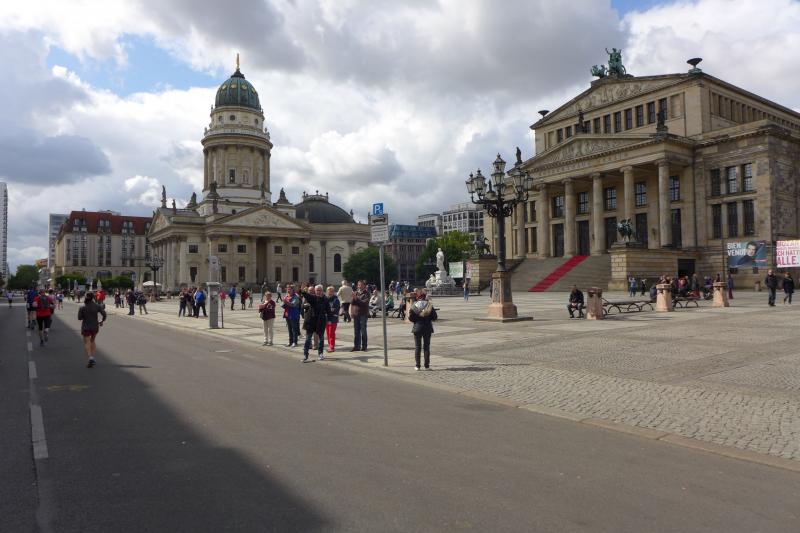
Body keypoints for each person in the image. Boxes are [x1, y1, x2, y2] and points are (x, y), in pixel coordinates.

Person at [408, 289, 437, 371]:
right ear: (425, 297)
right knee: (426, 347)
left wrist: (416, 320)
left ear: (418, 297)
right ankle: (427, 366)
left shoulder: (414, 305)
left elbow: (411, 318)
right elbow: (434, 317)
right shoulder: (429, 305)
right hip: (427, 328)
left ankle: (417, 366)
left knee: (418, 347)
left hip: (417, 328)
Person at [78, 292, 107, 368]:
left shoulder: (82, 307)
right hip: (95, 326)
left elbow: (79, 318)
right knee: (92, 341)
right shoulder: (97, 306)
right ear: (93, 297)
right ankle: (92, 357)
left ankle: (90, 358)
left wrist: (84, 315)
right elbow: (104, 314)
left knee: (87, 342)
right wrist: (102, 321)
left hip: (86, 327)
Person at [300, 284, 328, 362]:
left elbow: (328, 310)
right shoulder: (313, 297)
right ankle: (305, 355)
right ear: (315, 291)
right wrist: (302, 291)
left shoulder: (325, 299)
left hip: (320, 321)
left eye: (320, 290)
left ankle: (320, 353)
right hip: (311, 321)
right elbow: (306, 295)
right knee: (308, 339)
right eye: (317, 290)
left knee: (321, 339)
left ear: (322, 291)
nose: (318, 292)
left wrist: (329, 319)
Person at [350, 280, 369, 351]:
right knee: (356, 331)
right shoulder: (356, 293)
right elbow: (352, 303)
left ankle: (364, 346)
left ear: (364, 285)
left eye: (361, 285)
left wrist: (356, 298)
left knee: (363, 331)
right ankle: (356, 346)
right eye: (358, 285)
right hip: (356, 314)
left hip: (363, 314)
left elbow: (364, 303)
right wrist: (353, 298)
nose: (359, 286)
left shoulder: (366, 293)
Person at [325, 286, 340, 352]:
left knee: (331, 333)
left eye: (331, 291)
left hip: (333, 319)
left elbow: (336, 309)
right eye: (329, 291)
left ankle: (332, 347)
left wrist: (329, 310)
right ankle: (330, 345)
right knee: (328, 333)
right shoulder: (325, 299)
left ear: (333, 292)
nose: (330, 293)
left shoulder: (336, 299)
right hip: (326, 318)